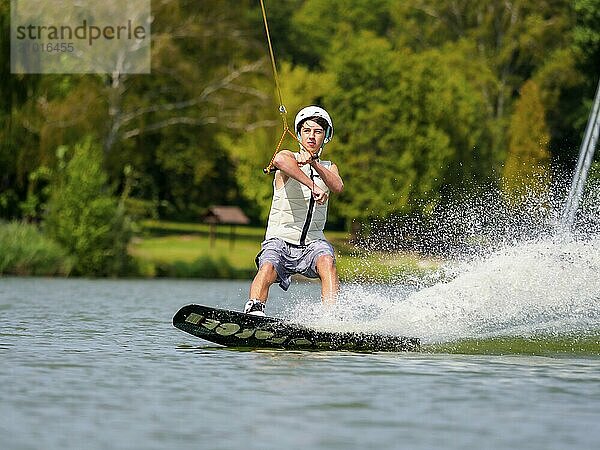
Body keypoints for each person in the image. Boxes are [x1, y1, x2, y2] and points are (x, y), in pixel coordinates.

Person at [244, 106, 344, 316]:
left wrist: (315, 164)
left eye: (317, 132)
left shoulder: (329, 167)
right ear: (298, 135)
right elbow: (279, 160)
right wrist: (312, 185)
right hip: (280, 238)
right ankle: (254, 309)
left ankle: (332, 317)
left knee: (327, 260)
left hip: (312, 242)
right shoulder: (288, 158)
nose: (311, 136)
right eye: (306, 131)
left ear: (325, 137)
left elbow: (338, 186)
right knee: (269, 265)